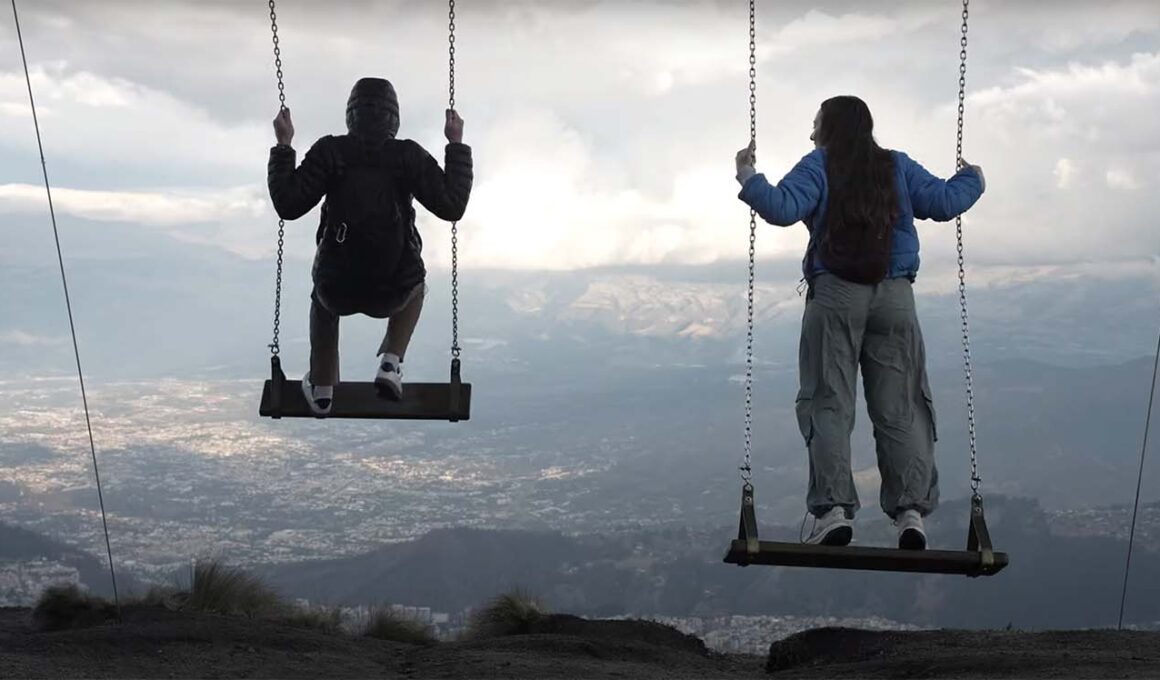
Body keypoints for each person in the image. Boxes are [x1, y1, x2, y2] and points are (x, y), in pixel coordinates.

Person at [734, 95, 985, 550]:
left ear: (829, 129)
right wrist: (974, 177)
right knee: (902, 405)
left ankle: (833, 511)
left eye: (815, 125)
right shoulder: (896, 166)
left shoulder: (819, 165)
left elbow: (782, 208)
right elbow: (946, 202)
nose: (811, 134)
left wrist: (747, 174)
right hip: (895, 298)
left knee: (829, 400)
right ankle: (910, 512)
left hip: (836, 296)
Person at [267, 77, 473, 416]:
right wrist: (455, 144)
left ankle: (321, 388)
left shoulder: (330, 152)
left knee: (323, 300)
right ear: (394, 119)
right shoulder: (407, 156)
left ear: (351, 115)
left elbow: (288, 205)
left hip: (338, 287)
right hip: (392, 288)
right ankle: (391, 363)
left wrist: (284, 144)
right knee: (417, 285)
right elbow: (452, 206)